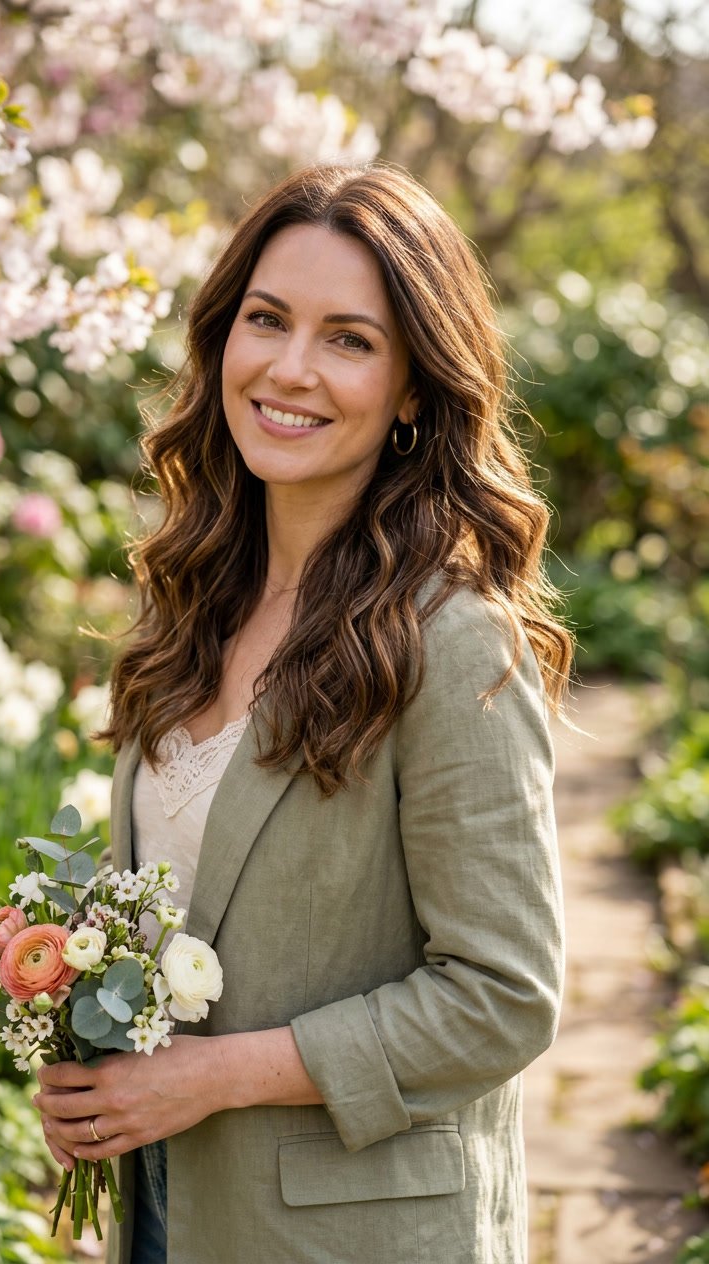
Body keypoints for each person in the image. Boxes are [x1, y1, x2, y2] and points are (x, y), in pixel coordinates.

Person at [33, 162, 570, 1264]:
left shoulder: (452, 637)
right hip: (170, 1211)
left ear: (415, 386)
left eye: (349, 339)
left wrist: (210, 1076)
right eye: (266, 319)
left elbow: (502, 998)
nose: (289, 368)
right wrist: (80, 1034)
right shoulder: (192, 605)